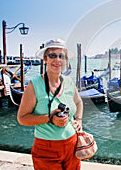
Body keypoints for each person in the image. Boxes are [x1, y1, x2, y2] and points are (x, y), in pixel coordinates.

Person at [17, 38, 83, 170]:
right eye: (53, 55)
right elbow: (22, 118)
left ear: (65, 60)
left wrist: (79, 120)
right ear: (45, 59)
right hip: (46, 149)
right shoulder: (34, 85)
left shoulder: (69, 82)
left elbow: (79, 102)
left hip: (72, 145)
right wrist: (50, 118)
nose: (57, 60)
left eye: (62, 56)